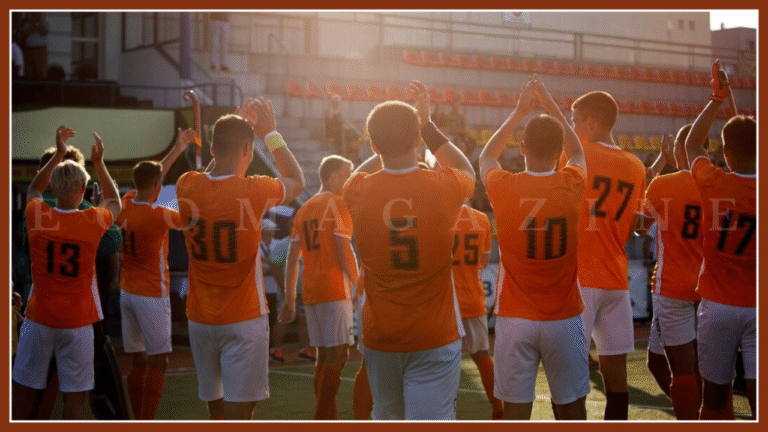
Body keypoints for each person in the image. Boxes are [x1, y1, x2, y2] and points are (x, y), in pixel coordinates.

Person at [342, 80, 475, 420]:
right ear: (417, 141)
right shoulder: (442, 187)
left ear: (374, 145)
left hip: (380, 333)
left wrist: (385, 146)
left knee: (386, 416)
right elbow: (467, 170)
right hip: (434, 332)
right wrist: (427, 126)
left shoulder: (357, 190)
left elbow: (356, 175)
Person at [176, 97, 305, 420]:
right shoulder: (254, 190)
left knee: (216, 410)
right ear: (247, 149)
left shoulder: (186, 185)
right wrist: (271, 134)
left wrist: (233, 125)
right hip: (243, 316)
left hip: (200, 317)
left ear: (214, 148)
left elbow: (210, 175)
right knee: (239, 416)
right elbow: (297, 180)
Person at [480, 76, 589, 420]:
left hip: (515, 317)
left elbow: (487, 155)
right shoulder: (571, 183)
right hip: (564, 316)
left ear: (522, 149)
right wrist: (551, 105)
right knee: (572, 411)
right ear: (558, 154)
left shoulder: (504, 185)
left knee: (515, 413)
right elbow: (578, 152)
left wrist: (519, 112)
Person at [12, 126, 121, 420]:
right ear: (83, 189)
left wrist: (58, 153)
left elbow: (34, 190)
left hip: (39, 318)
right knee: (74, 399)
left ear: (53, 187)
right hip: (78, 322)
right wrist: (99, 163)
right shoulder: (91, 220)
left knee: (23, 393)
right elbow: (114, 202)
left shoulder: (38, 215)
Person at [567, 88, 647, 420]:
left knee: (570, 380)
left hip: (581, 278)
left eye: (575, 122)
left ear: (590, 122)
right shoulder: (637, 166)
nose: (573, 128)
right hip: (616, 279)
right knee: (617, 380)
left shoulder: (579, 155)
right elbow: (630, 229)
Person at [684, 60, 755, 420]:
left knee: (712, 399)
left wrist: (716, 99)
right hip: (758, 304)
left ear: (726, 153)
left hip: (717, 305)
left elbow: (692, 143)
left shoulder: (714, 182)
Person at [116, 128, 195, 419]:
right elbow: (189, 220)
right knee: (159, 360)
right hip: (151, 293)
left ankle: (137, 418)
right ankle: (146, 419)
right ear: (157, 185)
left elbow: (152, 176)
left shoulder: (125, 203)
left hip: (128, 291)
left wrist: (177, 149)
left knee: (138, 360)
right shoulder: (159, 214)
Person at [284, 155, 359, 419]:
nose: (349, 181)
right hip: (335, 288)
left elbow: (292, 258)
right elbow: (344, 250)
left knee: (323, 356)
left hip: (311, 291)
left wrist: (290, 298)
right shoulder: (338, 203)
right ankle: (320, 419)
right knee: (338, 355)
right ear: (334, 177)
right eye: (347, 175)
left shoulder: (303, 209)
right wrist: (359, 284)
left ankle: (329, 419)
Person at [643, 125, 707, 419]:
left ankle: (693, 414)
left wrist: (660, 169)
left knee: (679, 369)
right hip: (707, 287)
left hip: (672, 286)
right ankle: (700, 412)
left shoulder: (663, 184)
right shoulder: (716, 184)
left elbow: (640, 226)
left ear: (679, 149)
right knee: (693, 365)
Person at [450, 202, 503, 419]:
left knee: (442, 359)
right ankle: (498, 408)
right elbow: (483, 261)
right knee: (482, 355)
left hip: (446, 301)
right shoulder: (482, 219)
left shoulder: (438, 215)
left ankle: (444, 411)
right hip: (473, 296)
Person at [18, 12, 49, 80]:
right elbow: (24, 34)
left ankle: (41, 85)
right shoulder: (27, 24)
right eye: (34, 14)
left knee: (41, 71)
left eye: (38, 14)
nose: (36, 16)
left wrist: (36, 24)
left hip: (40, 50)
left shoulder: (44, 22)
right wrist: (33, 25)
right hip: (29, 50)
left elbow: (45, 32)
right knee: (29, 72)